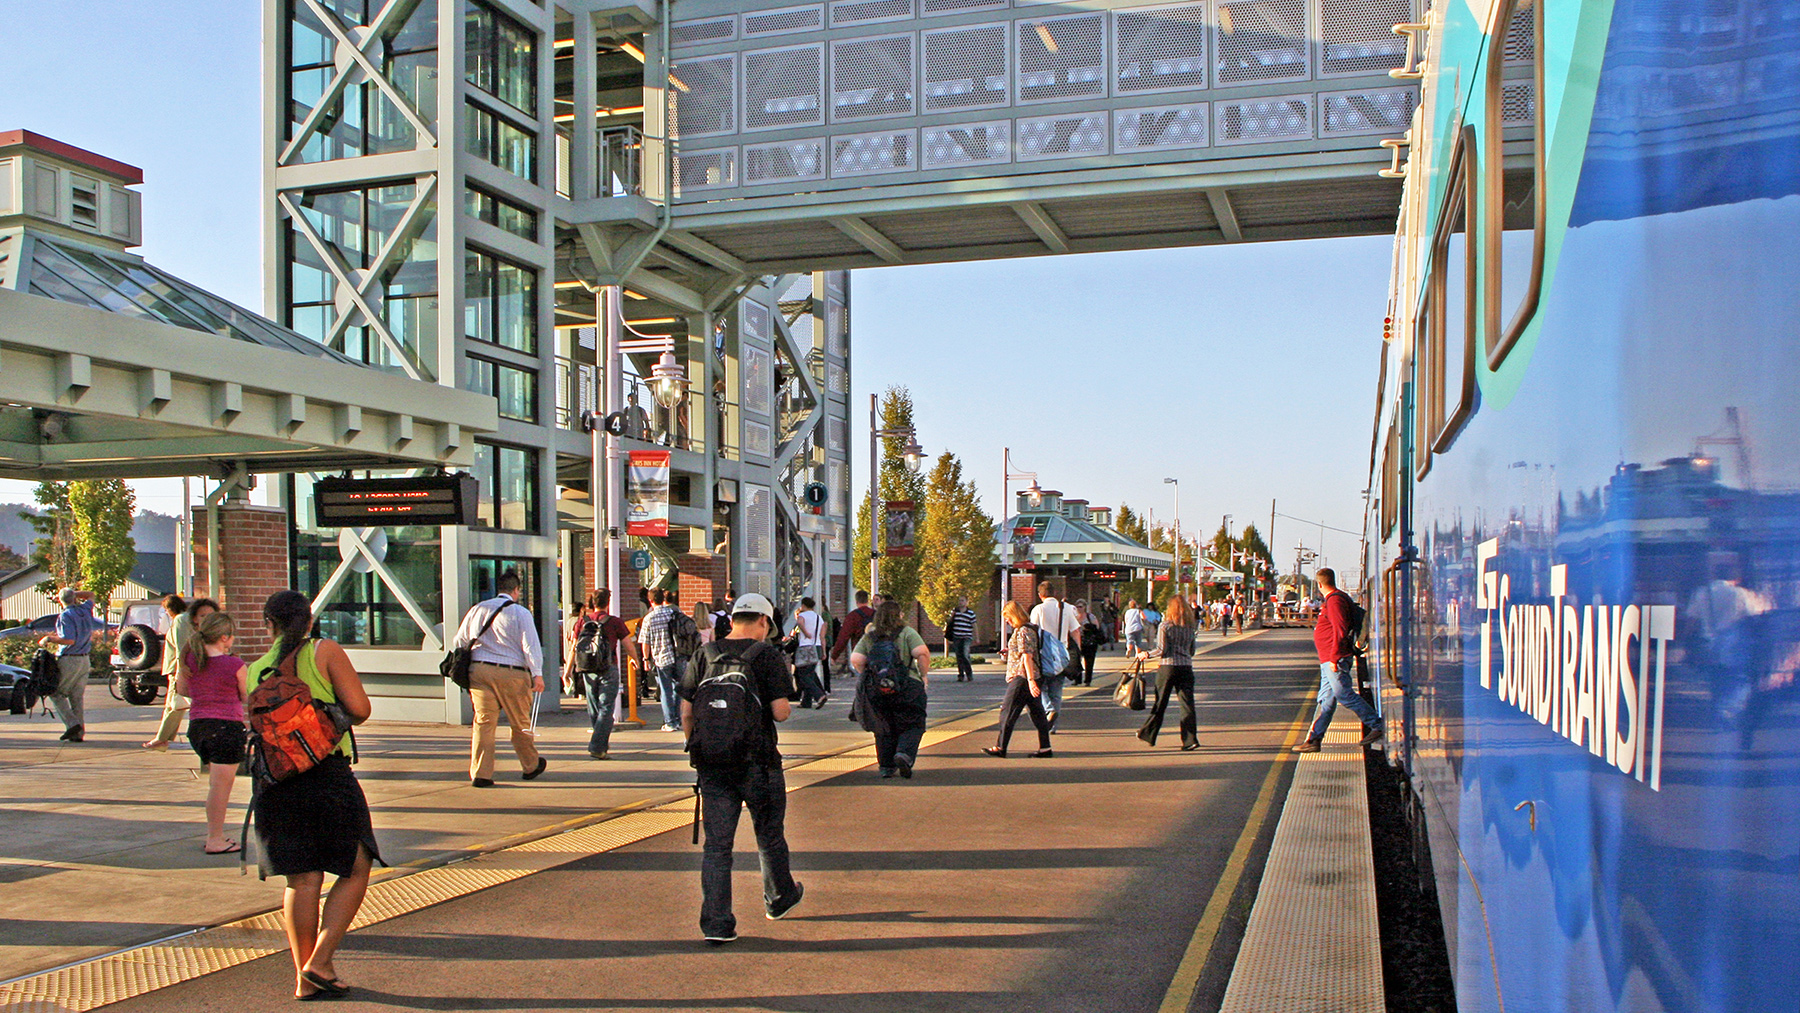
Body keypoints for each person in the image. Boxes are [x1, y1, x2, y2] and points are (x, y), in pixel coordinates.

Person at [247, 590, 380, 1000]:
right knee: (356, 867)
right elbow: (360, 707)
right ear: (309, 621)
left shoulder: (251, 671)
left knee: (301, 880)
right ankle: (320, 961)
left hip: (275, 783)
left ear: (268, 625)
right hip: (326, 776)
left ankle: (304, 979)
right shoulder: (324, 651)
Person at [682, 593, 803, 944]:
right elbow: (780, 712)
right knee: (768, 836)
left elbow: (687, 712)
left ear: (733, 619)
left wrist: (699, 751)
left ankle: (717, 924)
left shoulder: (704, 654)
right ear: (763, 622)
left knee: (717, 846)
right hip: (759, 762)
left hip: (713, 765)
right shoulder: (766, 655)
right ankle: (779, 898)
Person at [451, 571, 548, 786]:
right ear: (516, 590)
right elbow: (530, 645)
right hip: (512, 673)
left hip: (480, 671)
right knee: (520, 721)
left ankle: (481, 773)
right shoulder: (520, 613)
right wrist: (537, 674)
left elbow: (459, 641)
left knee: (484, 722)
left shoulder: (478, 609)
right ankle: (530, 765)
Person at [178, 611, 249, 853]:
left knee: (214, 784)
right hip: (226, 726)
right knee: (220, 787)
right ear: (224, 637)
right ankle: (215, 838)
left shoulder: (191, 661)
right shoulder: (235, 665)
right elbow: (246, 696)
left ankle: (215, 835)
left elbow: (183, 689)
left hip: (198, 725)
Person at [1294, 568, 1383, 753]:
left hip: (1334, 658)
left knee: (1344, 694)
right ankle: (1314, 740)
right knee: (1326, 700)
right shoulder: (1335, 599)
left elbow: (1340, 630)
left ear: (1319, 584)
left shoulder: (1335, 601)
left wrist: (1334, 657)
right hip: (1327, 658)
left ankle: (1377, 724)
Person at [850, 600, 931, 778]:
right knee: (913, 723)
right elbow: (922, 653)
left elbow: (856, 658)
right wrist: (923, 675)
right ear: (899, 615)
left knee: (883, 725)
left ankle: (886, 766)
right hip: (907, 685)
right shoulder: (907, 633)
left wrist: (870, 674)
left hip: (877, 689)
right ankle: (904, 753)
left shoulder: (870, 636)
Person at [143, 595, 219, 750]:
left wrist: (181, 668)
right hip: (183, 666)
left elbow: (182, 645)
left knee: (174, 704)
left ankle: (161, 739)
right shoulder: (186, 619)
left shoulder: (180, 620)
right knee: (175, 704)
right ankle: (163, 738)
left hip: (179, 667)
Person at [565, 588, 633, 758]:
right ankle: (597, 745)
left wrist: (567, 671)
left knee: (594, 707)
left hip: (587, 668)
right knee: (606, 708)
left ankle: (599, 742)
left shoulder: (582, 622)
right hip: (608, 668)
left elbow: (574, 647)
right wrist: (636, 659)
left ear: (592, 602)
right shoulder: (615, 622)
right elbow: (627, 644)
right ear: (607, 602)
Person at [983, 601, 1053, 759]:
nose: (1007, 621)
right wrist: (1010, 651)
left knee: (1007, 711)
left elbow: (1027, 656)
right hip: (1033, 676)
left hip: (1023, 678)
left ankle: (1001, 746)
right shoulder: (1031, 628)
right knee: (1037, 713)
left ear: (1014, 615)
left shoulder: (1023, 631)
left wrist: (1030, 680)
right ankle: (1045, 747)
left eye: (1008, 617)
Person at [1137, 596, 1200, 751]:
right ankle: (1190, 739)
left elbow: (1161, 650)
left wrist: (1146, 654)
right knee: (1187, 704)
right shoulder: (1190, 627)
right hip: (1186, 667)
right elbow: (1192, 651)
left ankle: (1148, 733)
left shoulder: (1165, 626)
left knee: (1160, 703)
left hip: (1168, 667)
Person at [39, 587, 100, 742]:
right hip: (84, 659)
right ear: (74, 599)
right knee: (76, 697)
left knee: (56, 693)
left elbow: (69, 639)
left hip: (70, 658)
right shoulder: (85, 610)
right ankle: (78, 733)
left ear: (60, 600)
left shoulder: (65, 616)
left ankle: (73, 724)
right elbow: (92, 595)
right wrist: (74, 594)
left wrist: (49, 639)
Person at [1028, 580, 1079, 729]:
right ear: (1055, 593)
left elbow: (1033, 632)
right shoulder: (1066, 609)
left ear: (1040, 595)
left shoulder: (1038, 609)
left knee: (1041, 687)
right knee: (1056, 692)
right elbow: (1075, 631)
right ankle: (1053, 725)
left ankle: (1049, 710)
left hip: (1044, 654)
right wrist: (1077, 652)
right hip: (1062, 654)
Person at [641, 588, 693, 732]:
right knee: (678, 688)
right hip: (679, 654)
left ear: (651, 601)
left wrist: (646, 659)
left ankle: (669, 721)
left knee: (665, 690)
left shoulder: (649, 618)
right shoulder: (674, 613)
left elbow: (645, 642)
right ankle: (677, 719)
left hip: (661, 657)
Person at [788, 596, 829, 708]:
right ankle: (806, 702)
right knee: (810, 673)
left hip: (805, 647)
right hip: (817, 646)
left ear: (803, 605)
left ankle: (819, 695)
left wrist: (805, 633)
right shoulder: (818, 618)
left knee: (803, 675)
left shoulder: (802, 615)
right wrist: (824, 651)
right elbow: (822, 636)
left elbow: (800, 623)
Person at [944, 597, 978, 682]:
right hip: (957, 637)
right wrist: (952, 616)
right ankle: (961, 675)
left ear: (967, 602)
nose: (960, 602)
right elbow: (950, 622)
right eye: (959, 600)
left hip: (966, 637)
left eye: (962, 600)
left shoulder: (970, 613)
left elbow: (974, 625)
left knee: (965, 655)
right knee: (959, 656)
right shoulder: (955, 611)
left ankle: (969, 674)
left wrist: (977, 637)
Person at [1077, 601, 1105, 686]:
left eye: (1080, 606)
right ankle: (1077, 679)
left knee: (1089, 661)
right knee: (1076, 661)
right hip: (1078, 641)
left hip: (1090, 642)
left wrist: (1088, 627)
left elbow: (1096, 627)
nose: (1079, 608)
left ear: (1085, 607)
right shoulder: (1073, 616)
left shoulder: (1090, 616)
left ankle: (1087, 680)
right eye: (1077, 606)